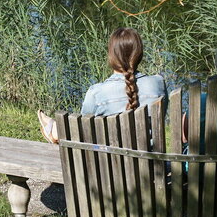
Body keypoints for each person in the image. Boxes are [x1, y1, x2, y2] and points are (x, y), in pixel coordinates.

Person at [37, 27, 167, 144]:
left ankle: (54, 130)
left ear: (111, 56)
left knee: (76, 129)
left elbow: (82, 132)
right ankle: (54, 129)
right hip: (151, 167)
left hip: (106, 167)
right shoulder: (158, 83)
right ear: (139, 54)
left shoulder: (97, 93)